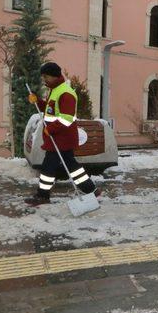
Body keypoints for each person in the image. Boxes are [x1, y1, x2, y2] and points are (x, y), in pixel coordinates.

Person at [25, 62, 99, 206]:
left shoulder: (66, 93)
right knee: (72, 166)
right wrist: (38, 101)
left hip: (61, 138)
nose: (44, 80)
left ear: (54, 76)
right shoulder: (54, 89)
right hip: (57, 138)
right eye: (43, 77)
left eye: (46, 76)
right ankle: (92, 190)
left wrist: (51, 129)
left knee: (48, 167)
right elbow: (50, 110)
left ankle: (42, 196)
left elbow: (67, 118)